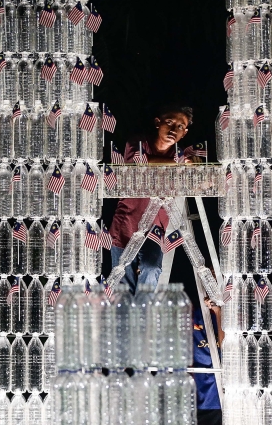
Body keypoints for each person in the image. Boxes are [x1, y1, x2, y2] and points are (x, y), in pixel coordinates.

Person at [109, 103, 196, 292]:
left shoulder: (182, 155)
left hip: (155, 229)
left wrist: (197, 167)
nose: (174, 129)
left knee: (152, 267)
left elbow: (199, 182)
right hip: (126, 224)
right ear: (158, 122)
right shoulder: (138, 143)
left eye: (180, 126)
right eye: (170, 122)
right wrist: (180, 163)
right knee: (122, 283)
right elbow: (141, 162)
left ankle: (144, 314)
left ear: (185, 132)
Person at [193, 298, 224, 425]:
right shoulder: (193, 316)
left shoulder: (230, 316)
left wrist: (219, 313)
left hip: (218, 401)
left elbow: (227, 349)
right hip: (200, 400)